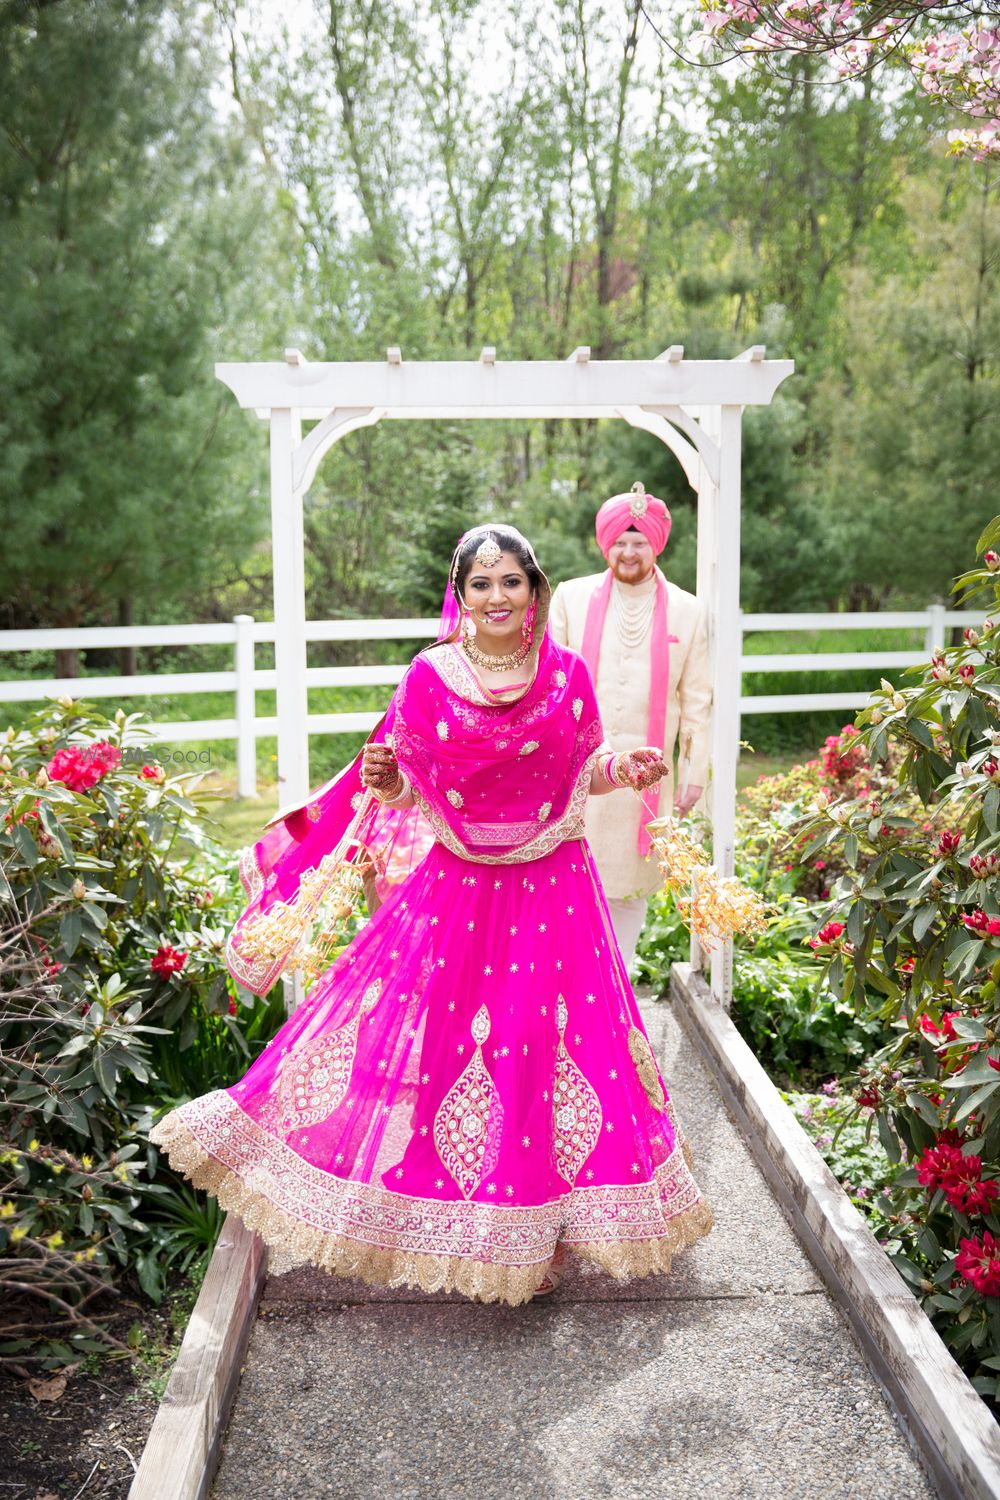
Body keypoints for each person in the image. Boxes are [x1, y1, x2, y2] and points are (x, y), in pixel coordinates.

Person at [149, 524, 712, 1304]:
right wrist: (385, 782)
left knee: (539, 1047)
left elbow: (585, 768)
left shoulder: (566, 674)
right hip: (462, 891)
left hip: (552, 890)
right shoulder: (430, 675)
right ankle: (441, 1214)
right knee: (451, 1036)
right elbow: (409, 785)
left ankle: (537, 1230)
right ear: (462, 592)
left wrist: (628, 765)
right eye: (480, 584)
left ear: (534, 590)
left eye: (510, 582)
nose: (496, 597)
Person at [548, 484, 713, 968]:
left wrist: (695, 773)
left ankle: (614, 985)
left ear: (656, 544)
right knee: (569, 880)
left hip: (645, 778)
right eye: (620, 540)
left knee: (627, 886)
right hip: (577, 771)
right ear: (606, 544)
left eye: (639, 541)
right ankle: (567, 984)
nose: (628, 551)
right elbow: (550, 686)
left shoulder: (688, 609)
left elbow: (698, 700)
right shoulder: (571, 598)